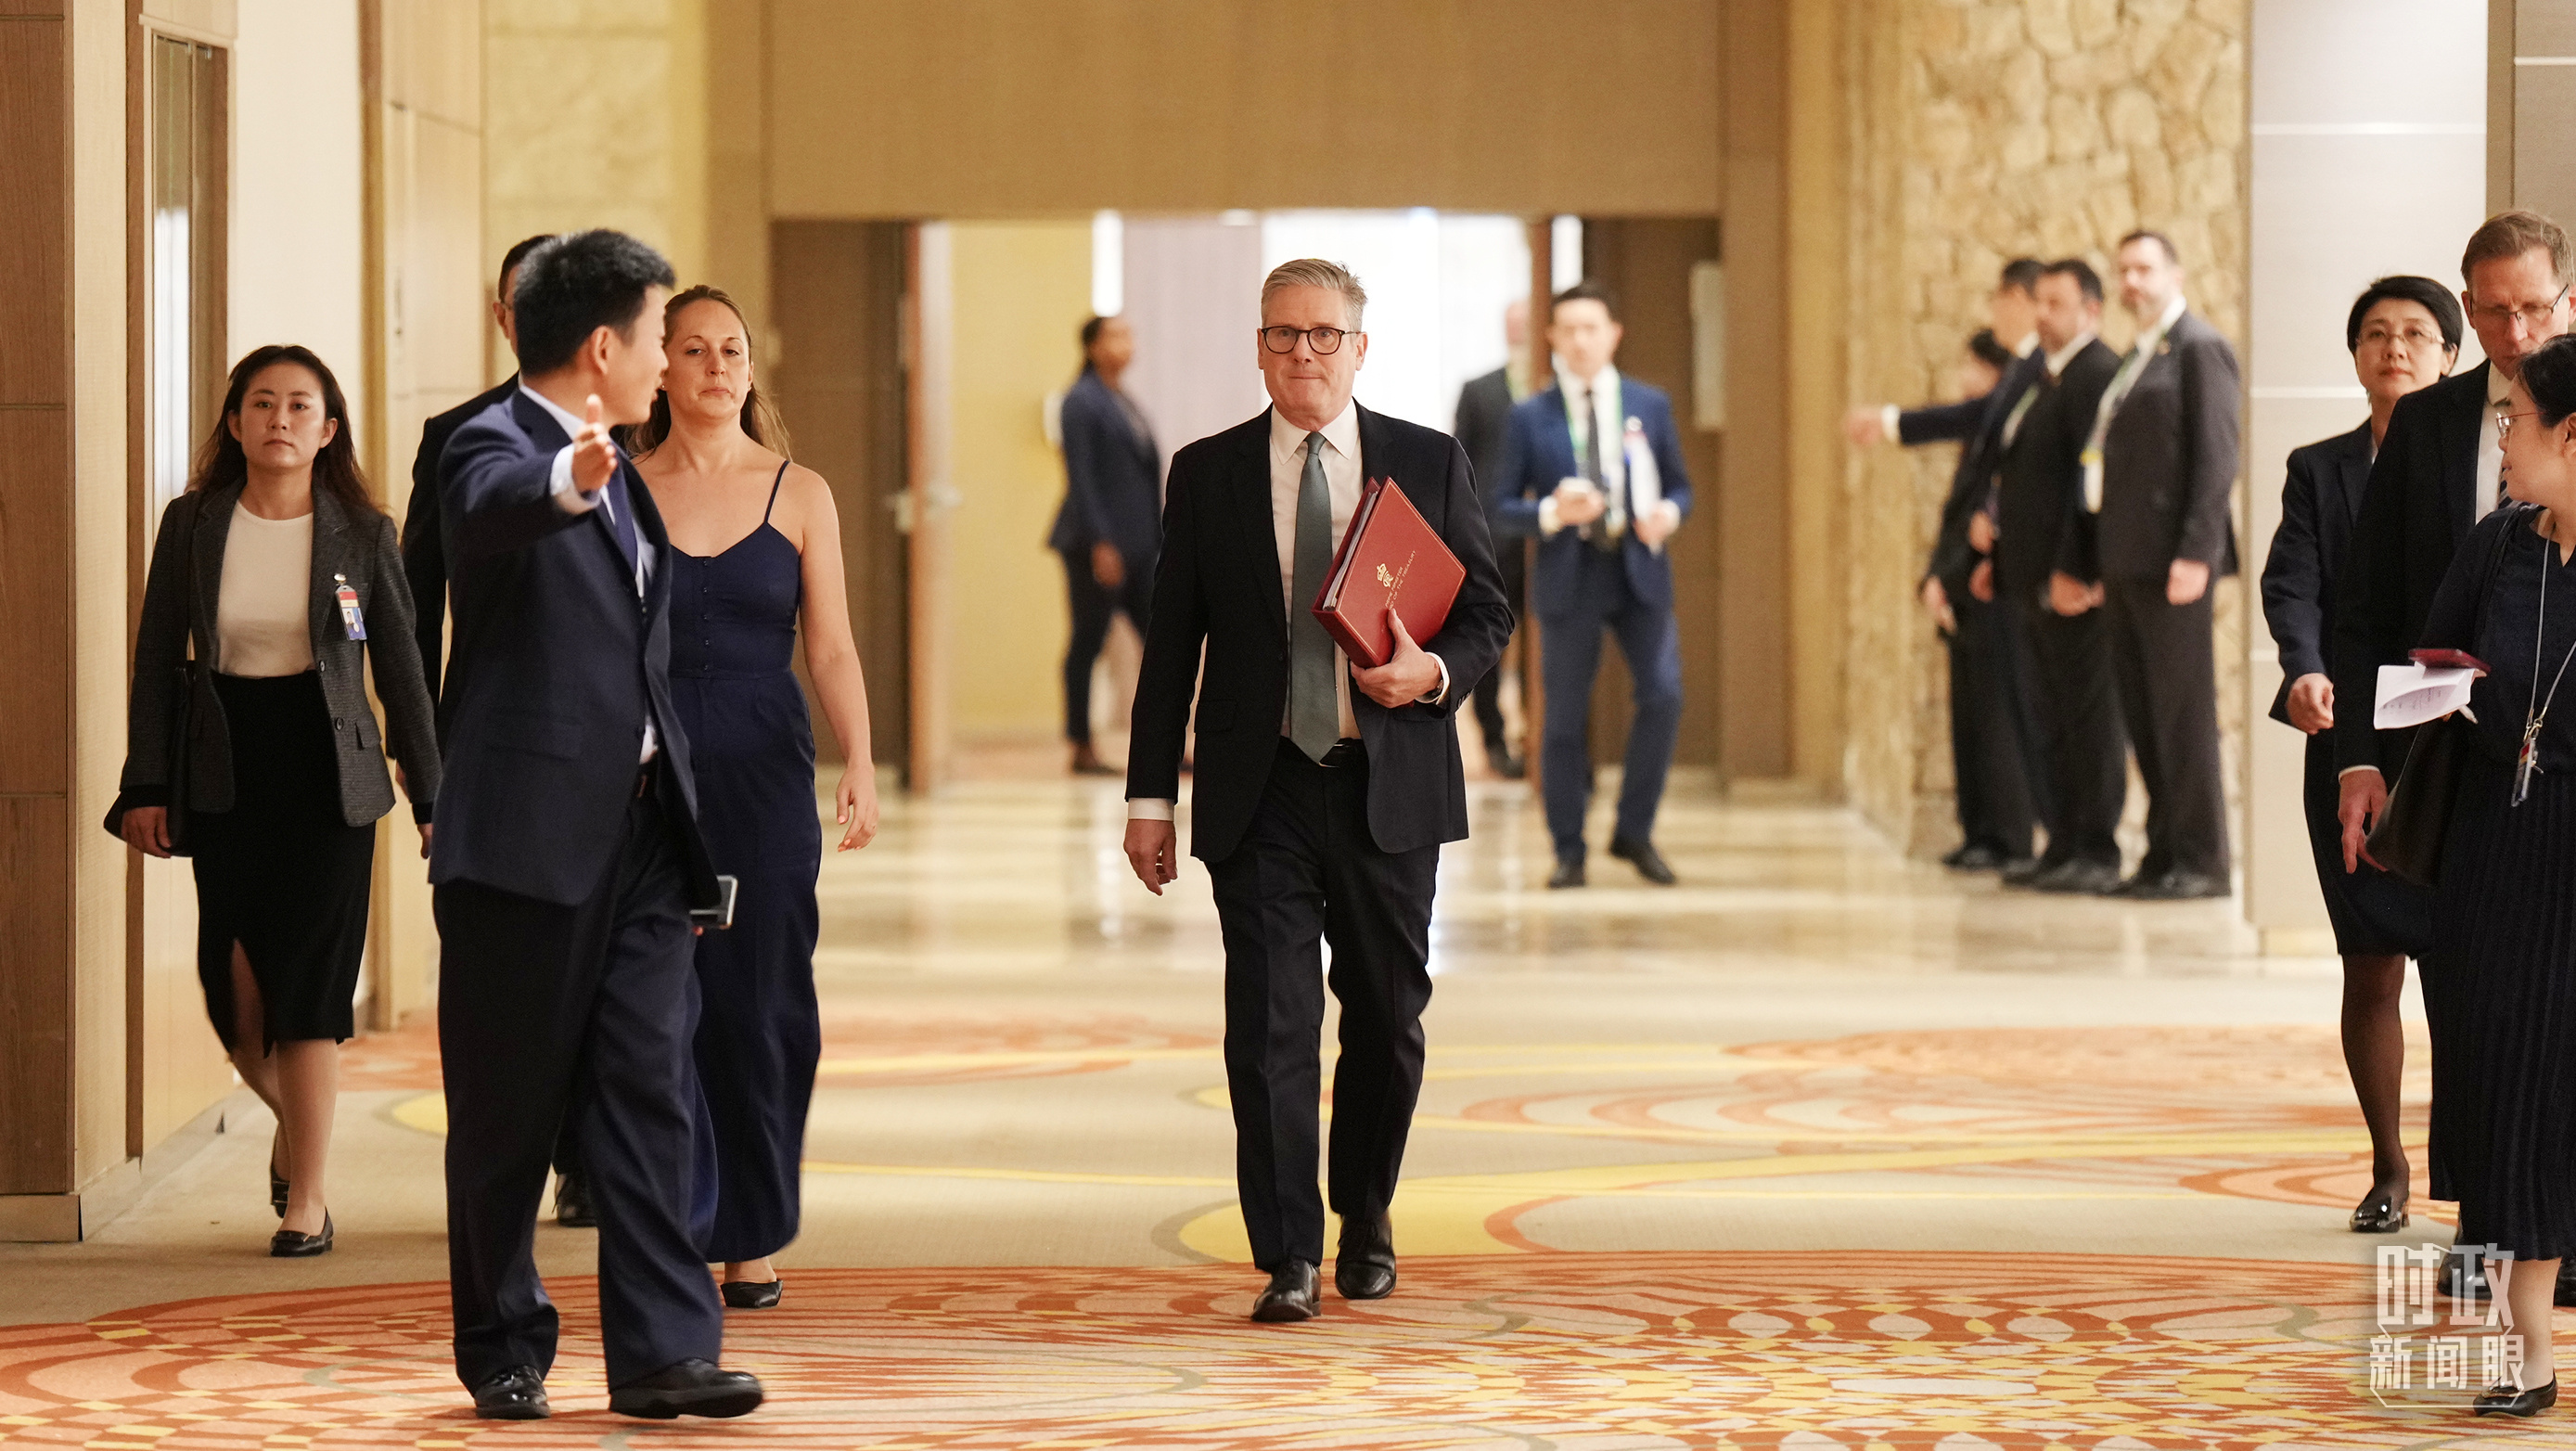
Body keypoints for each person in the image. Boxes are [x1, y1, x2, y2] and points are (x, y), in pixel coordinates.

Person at [1121, 259, 1512, 1322]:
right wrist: (1149, 798)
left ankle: (1364, 1215)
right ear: (1258, 348)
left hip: (1388, 784)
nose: (1303, 352)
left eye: (1323, 334)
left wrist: (1431, 675)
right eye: (1283, 334)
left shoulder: (1426, 461)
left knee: (1385, 1020)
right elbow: (1171, 644)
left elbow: (1484, 611)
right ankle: (1287, 1251)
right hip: (1261, 788)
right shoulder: (1206, 473)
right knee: (1269, 1026)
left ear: (1358, 348)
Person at [429, 230, 760, 1422]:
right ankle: (502, 1345)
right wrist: (563, 480)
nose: (670, 363)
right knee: (508, 1110)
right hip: (523, 841)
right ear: (605, 346)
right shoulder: (491, 442)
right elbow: (487, 511)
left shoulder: (621, 465)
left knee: (649, 1091)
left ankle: (663, 1352)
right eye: (660, 338)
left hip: (642, 841)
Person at [109, 345, 440, 1257]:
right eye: (262, 403)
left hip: (329, 777)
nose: (280, 419)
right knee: (234, 997)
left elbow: (401, 671)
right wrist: (145, 781)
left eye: (300, 405)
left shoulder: (362, 532)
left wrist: (430, 792)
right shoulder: (192, 522)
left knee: (308, 990)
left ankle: (310, 1200)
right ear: (235, 421)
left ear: (328, 429)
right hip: (225, 767)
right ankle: (300, 1128)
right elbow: (155, 658)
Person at [627, 284, 881, 1309]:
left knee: (762, 998)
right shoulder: (620, 490)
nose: (717, 366)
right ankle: (680, 1220)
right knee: (659, 1001)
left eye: (731, 349)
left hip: (764, 770)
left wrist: (859, 759)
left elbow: (831, 647)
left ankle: (752, 1232)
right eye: (694, 349)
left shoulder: (800, 491)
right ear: (660, 369)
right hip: (645, 773)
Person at [399, 233, 609, 1231]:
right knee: (511, 994)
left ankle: (591, 1156)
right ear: (504, 318)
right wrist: (428, 774)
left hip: (618, 763)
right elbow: (413, 610)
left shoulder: (640, 430)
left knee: (618, 984)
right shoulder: (460, 438)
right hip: (497, 760)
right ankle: (527, 1165)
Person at [2260, 277, 2455, 1237]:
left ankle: (2474, 1174)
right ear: (2353, 354)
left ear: (2449, 356)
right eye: (2375, 333)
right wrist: (2303, 670)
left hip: (2453, 740)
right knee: (2370, 961)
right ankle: (2387, 1163)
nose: (2394, 348)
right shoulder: (2318, 467)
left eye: (2416, 333)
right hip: (2349, 743)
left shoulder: (2482, 459)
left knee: (2463, 973)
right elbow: (2291, 584)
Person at [2411, 332, 2576, 1418]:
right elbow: (2423, 669)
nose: (2501, 438)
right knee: (2504, 1089)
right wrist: (2446, 697)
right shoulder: (2496, 546)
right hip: (2491, 851)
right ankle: (2527, 1352)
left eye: (2516, 420)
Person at [2334, 212, 2574, 890]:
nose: (2517, 333)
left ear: (2569, 302)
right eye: (2495, 312)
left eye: (2534, 308)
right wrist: (2359, 757)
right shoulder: (2423, 419)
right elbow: (2366, 604)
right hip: (2438, 762)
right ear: (2467, 309)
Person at [2049, 230, 2240, 899]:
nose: (2131, 281)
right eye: (2123, 270)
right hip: (2124, 559)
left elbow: (2216, 458)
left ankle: (2203, 861)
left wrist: (2196, 552)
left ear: (2175, 274)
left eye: (2144, 268)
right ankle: (2163, 855)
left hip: (2170, 564)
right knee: (2144, 715)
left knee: (2181, 716)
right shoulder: (2135, 355)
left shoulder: (2198, 347)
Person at [1845, 256, 2047, 871]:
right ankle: (1986, 831)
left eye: (1999, 298)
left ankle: (2012, 833)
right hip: (1980, 570)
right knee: (1978, 715)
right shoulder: (2023, 374)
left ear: (2020, 299)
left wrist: (1890, 422)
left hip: (2014, 570)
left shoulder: (2040, 371)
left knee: (2007, 712)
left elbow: (2010, 462)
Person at [1492, 281, 1696, 889]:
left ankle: (1634, 830)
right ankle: (1568, 848)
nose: (1581, 341)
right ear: (1552, 338)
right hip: (1569, 574)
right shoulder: (1530, 416)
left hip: (1638, 569)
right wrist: (1552, 513)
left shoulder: (1648, 405)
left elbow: (1681, 486)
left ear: (1613, 335)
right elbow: (1498, 505)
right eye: (1569, 330)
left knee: (1663, 693)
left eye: (1591, 328)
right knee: (1561, 720)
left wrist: (1668, 514)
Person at [1999, 260, 2127, 894]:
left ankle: (2095, 848)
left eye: (2055, 303)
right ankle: (2061, 840)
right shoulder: (2048, 376)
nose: (2041, 314)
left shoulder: (2096, 373)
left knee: (2088, 721)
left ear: (2090, 311)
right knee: (2048, 718)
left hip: (2071, 584)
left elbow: (2090, 483)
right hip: (2032, 580)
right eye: (2039, 303)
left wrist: (2076, 568)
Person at [1046, 315, 1161, 776]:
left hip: (1140, 547)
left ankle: (1165, 747)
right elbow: (1082, 478)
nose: (1126, 343)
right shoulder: (1080, 400)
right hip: (1097, 546)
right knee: (1087, 642)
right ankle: (1081, 747)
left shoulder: (1121, 399)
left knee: (1163, 644)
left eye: (1129, 335)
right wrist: (1101, 543)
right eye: (1115, 335)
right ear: (1092, 347)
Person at [1455, 298, 1534, 778]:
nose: (1520, 331)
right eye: (1513, 325)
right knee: (1490, 642)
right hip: (1492, 540)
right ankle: (1495, 740)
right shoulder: (1479, 390)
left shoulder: (1555, 390)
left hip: (1545, 541)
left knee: (1544, 645)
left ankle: (1537, 736)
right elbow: (1460, 465)